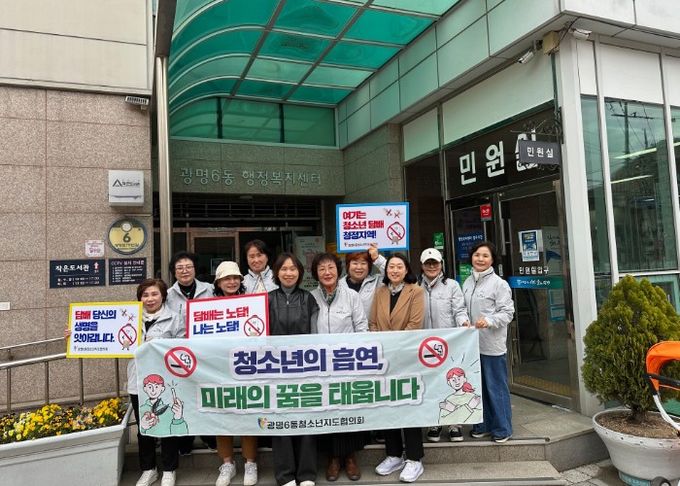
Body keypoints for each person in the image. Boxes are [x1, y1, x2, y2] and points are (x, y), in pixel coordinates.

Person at [310, 253, 368, 482]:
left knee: (348, 408)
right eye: (322, 268)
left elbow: (361, 327)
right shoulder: (311, 297)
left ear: (338, 270)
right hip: (320, 364)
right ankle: (333, 459)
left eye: (331, 268)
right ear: (315, 273)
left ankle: (351, 458)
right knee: (327, 409)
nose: (327, 272)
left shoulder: (351, 296)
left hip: (347, 362)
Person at [369, 253, 425, 483]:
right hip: (384, 357)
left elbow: (415, 324)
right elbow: (373, 322)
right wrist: (382, 346)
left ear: (406, 270)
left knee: (409, 405)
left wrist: (394, 345)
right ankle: (393, 454)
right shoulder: (380, 292)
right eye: (390, 266)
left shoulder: (416, 291)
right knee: (388, 405)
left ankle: (414, 458)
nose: (394, 270)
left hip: (407, 356)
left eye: (399, 267)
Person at [268, 253, 319, 486]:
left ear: (300, 272)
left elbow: (315, 334)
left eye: (293, 269)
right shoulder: (267, 299)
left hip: (304, 367)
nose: (288, 273)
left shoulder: (308, 299)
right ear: (276, 273)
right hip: (275, 368)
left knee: (306, 418)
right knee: (280, 419)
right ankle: (285, 475)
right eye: (284, 269)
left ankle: (307, 474)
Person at [130, 279, 186, 486]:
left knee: (167, 425)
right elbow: (107, 339)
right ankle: (148, 469)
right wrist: (75, 336)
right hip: (138, 380)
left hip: (166, 380)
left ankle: (169, 469)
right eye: (145, 295)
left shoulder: (174, 318)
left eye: (154, 294)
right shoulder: (129, 319)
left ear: (163, 296)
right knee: (144, 426)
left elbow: (183, 346)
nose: (150, 299)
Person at [462, 241, 515, 443]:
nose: (480, 259)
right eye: (477, 255)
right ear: (471, 257)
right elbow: (462, 309)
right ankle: (482, 425)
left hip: (492, 346)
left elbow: (508, 313)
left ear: (492, 260)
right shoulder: (467, 282)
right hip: (471, 346)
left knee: (496, 388)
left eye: (485, 256)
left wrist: (489, 321)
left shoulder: (499, 284)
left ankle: (502, 428)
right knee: (477, 387)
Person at [211, 261, 258, 486]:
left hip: (246, 366)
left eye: (235, 278)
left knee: (247, 415)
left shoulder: (252, 304)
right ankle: (227, 463)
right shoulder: (207, 307)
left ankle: (250, 462)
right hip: (218, 369)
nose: (231, 282)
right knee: (222, 416)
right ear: (218, 283)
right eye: (226, 279)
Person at [419, 248, 469, 443]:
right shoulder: (415, 286)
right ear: (422, 265)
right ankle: (434, 422)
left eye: (435, 262)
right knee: (431, 384)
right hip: (425, 346)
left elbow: (459, 310)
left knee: (452, 383)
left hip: (449, 343)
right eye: (428, 263)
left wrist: (463, 322)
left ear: (441, 264)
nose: (432, 266)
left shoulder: (452, 285)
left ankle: (455, 424)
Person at [165, 251, 214, 454]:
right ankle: (185, 440)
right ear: (174, 272)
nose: (185, 271)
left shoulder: (210, 289)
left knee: (206, 395)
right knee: (182, 397)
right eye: (180, 268)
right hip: (180, 355)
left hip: (206, 353)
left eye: (188, 267)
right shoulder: (167, 295)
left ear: (195, 269)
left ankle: (210, 437)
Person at [338, 243, 385, 318]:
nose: (359, 267)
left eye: (363, 263)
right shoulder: (338, 285)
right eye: (355, 263)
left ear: (369, 266)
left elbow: (392, 273)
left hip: (370, 325)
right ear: (348, 265)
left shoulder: (376, 282)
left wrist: (377, 259)